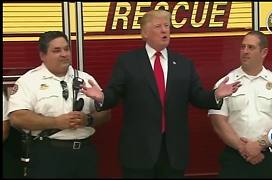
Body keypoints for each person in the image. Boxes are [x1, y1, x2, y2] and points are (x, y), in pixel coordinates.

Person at [81, 10, 241, 178]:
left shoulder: (183, 64)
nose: (165, 30)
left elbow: (198, 97)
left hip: (173, 153)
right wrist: (102, 97)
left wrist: (216, 95)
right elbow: (114, 94)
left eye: (167, 26)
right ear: (144, 33)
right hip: (138, 151)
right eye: (158, 26)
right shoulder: (128, 62)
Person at [7, 31, 111, 178]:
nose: (64, 54)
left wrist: (88, 120)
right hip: (48, 155)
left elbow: (106, 113)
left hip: (84, 155)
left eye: (66, 49)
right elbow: (17, 117)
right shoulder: (29, 81)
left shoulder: (86, 79)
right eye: (57, 50)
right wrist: (55, 122)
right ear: (43, 56)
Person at [208, 31, 272, 178]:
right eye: (243, 47)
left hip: (269, 157)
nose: (245, 51)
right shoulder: (225, 83)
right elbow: (218, 122)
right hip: (235, 157)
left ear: (264, 52)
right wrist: (244, 148)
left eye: (251, 47)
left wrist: (259, 144)